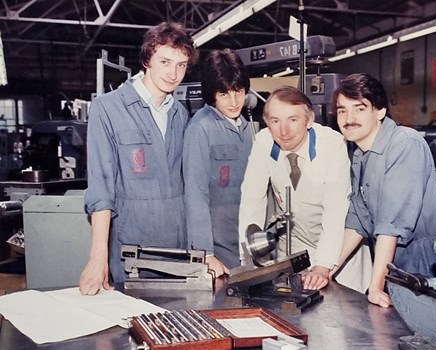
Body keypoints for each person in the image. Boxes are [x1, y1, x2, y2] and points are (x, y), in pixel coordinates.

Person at [303, 73, 436, 308]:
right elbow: (358, 223)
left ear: (379, 112)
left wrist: (376, 284)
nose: (349, 118)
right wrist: (327, 268)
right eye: (342, 110)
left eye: (359, 109)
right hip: (395, 270)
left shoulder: (404, 144)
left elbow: (390, 225)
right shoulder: (360, 156)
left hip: (424, 270)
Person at [79, 22, 198, 295]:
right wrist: (98, 258)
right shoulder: (107, 109)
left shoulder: (180, 114)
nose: (173, 73)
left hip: (177, 250)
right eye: (165, 61)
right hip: (131, 249)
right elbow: (101, 190)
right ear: (147, 60)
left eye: (181, 65)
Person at [239, 86, 351, 281]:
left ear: (309, 120)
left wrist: (323, 265)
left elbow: (335, 212)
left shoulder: (332, 144)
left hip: (337, 248)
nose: (284, 131)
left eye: (293, 119)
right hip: (295, 244)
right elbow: (252, 200)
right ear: (266, 122)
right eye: (275, 121)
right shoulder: (263, 141)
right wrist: (248, 259)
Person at [183, 49, 253, 276]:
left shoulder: (244, 125)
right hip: (217, 247)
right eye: (224, 94)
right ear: (212, 94)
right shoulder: (200, 128)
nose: (234, 102)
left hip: (243, 239)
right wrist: (205, 252)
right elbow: (196, 194)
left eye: (239, 92)